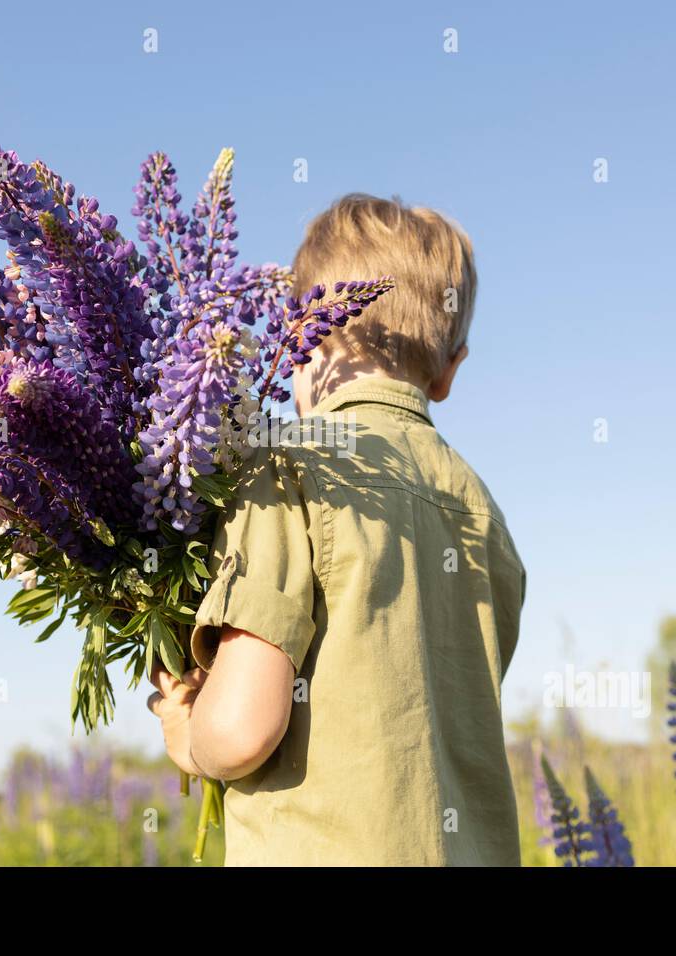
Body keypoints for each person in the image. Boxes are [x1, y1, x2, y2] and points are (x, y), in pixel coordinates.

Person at [148, 194, 525, 865]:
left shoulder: (284, 468)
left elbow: (240, 732)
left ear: (298, 334)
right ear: (450, 369)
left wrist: (185, 731)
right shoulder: (482, 511)